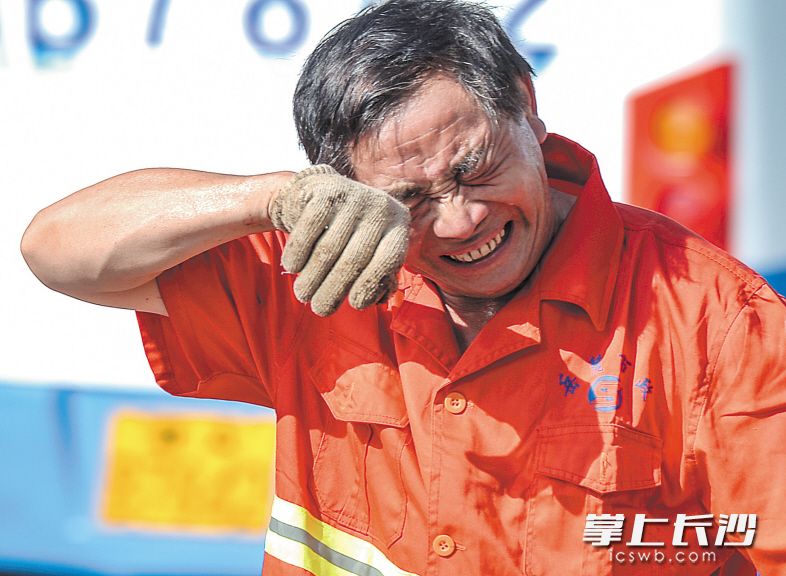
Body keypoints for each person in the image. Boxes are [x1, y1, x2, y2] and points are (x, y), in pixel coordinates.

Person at [20, 0, 786, 574]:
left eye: (473, 167)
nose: (460, 220)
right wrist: (270, 197)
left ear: (526, 105)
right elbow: (56, 250)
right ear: (345, 187)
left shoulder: (716, 323)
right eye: (409, 200)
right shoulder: (316, 268)